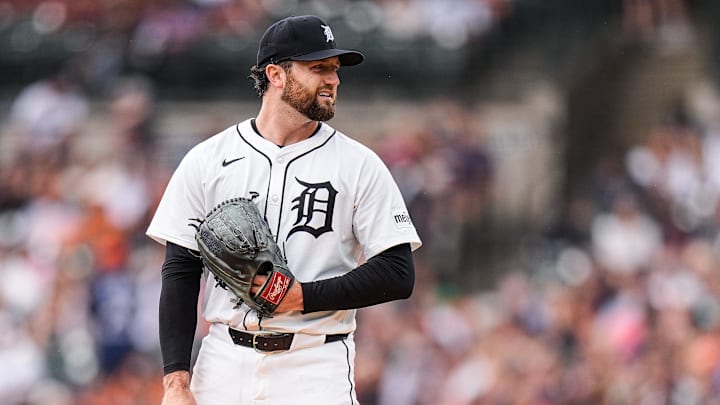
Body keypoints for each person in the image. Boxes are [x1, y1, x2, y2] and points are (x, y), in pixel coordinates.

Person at [146, 15, 422, 404]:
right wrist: (175, 381)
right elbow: (180, 269)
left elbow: (398, 274)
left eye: (336, 70)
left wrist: (302, 297)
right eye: (319, 68)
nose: (333, 80)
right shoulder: (208, 159)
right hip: (224, 361)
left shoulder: (359, 164)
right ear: (276, 75)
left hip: (314, 364)